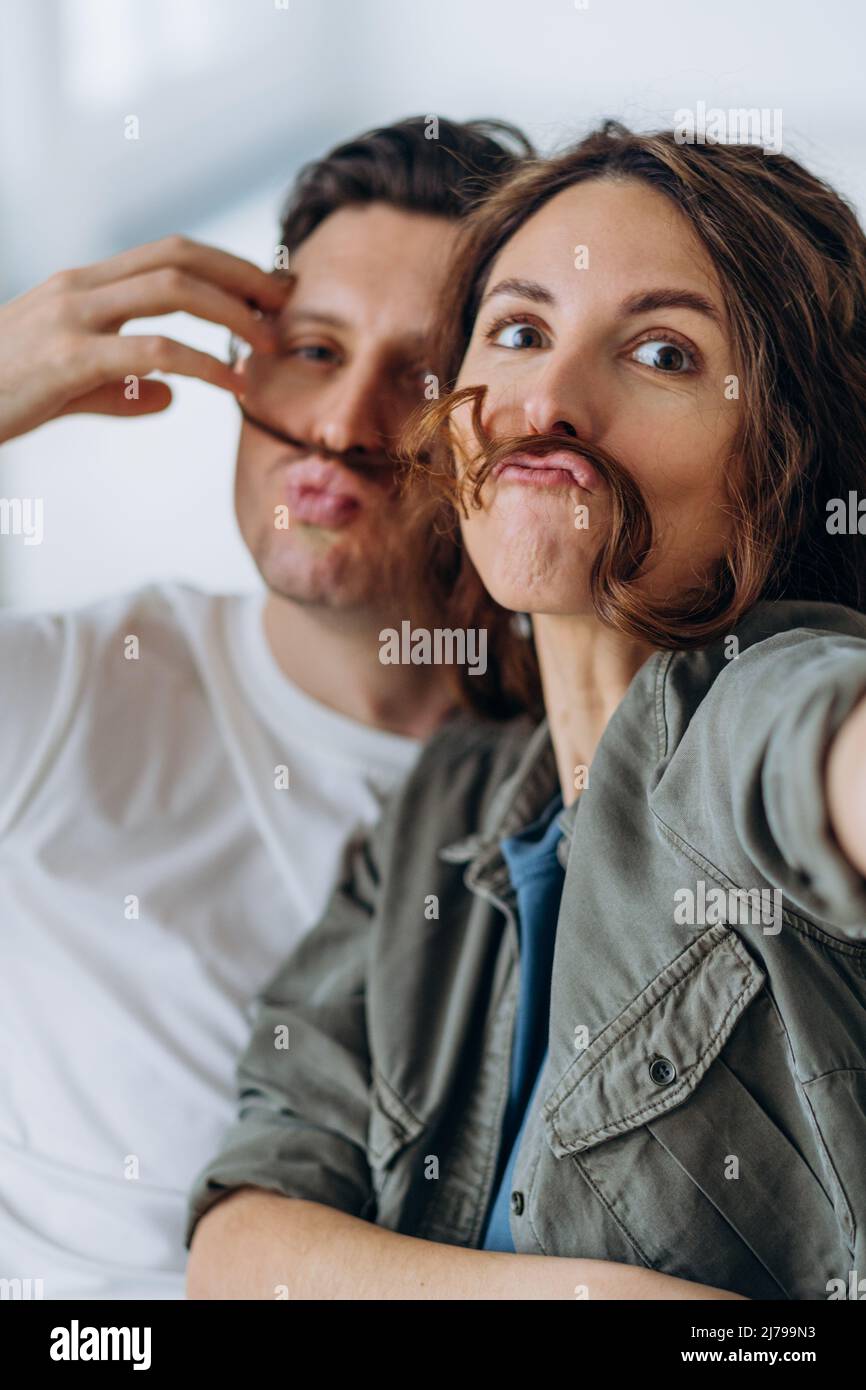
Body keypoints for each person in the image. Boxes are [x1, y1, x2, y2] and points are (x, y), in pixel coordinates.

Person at [187, 121, 866, 1300]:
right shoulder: (440, 810)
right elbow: (240, 1250)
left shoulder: (761, 701)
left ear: (781, 452)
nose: (546, 395)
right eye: (517, 331)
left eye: (658, 353)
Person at [0, 116, 531, 1299]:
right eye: (313, 349)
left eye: (417, 375)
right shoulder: (69, 691)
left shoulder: (573, 768)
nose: (341, 429)